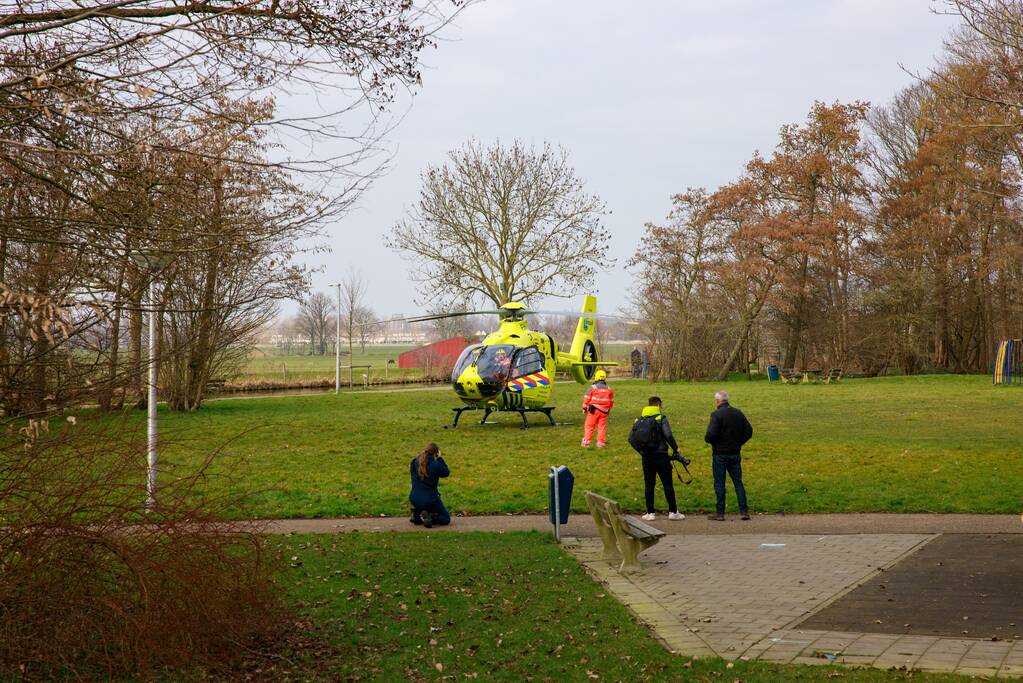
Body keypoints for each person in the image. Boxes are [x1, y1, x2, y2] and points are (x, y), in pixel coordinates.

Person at [628, 396, 686, 521]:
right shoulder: (661, 418)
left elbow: (630, 439)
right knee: (667, 484)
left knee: (649, 484)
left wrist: (641, 451)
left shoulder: (639, 419)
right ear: (658, 406)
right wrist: (676, 449)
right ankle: (673, 511)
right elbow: (668, 435)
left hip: (647, 457)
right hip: (661, 456)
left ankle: (650, 513)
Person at [703, 390, 753, 521]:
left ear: (718, 401)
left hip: (720, 454)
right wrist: (739, 442)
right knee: (738, 482)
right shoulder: (738, 413)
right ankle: (744, 511)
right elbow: (749, 431)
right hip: (735, 452)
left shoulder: (716, 415)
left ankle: (720, 513)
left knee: (719, 483)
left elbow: (710, 434)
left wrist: (710, 440)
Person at [409, 442, 451, 528]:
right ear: (436, 453)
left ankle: (417, 513)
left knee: (423, 503)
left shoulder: (414, 462)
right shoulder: (436, 465)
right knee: (446, 519)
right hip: (430, 500)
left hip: (414, 498)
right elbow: (446, 472)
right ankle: (430, 517)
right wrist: (439, 458)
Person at [581, 369, 614, 448]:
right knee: (602, 427)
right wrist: (608, 410)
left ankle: (586, 442)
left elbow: (586, 398)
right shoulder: (609, 389)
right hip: (604, 412)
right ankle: (601, 443)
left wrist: (584, 408)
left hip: (593, 411)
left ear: (596, 377)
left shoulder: (592, 387)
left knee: (589, 426)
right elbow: (611, 401)